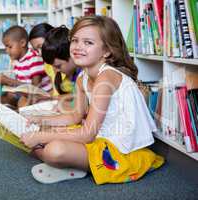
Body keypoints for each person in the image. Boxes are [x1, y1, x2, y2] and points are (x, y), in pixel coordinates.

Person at [20, 16, 164, 185]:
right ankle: (63, 161)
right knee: (43, 130)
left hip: (119, 148)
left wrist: (40, 137)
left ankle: (57, 160)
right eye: (75, 40)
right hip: (99, 136)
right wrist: (39, 120)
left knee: (54, 150)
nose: (78, 47)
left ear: (107, 51)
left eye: (88, 42)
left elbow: (88, 133)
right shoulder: (83, 77)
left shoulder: (107, 77)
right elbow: (74, 117)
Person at [0, 25, 52, 111]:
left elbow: (35, 88)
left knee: (22, 102)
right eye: (5, 47)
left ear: (22, 43)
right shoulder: (16, 60)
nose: (7, 51)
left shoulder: (34, 58)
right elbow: (21, 84)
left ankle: (9, 109)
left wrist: (9, 81)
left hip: (39, 95)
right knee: (4, 95)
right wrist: (2, 82)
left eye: (10, 47)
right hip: (24, 93)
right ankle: (6, 107)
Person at [41, 26, 82, 112]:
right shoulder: (74, 74)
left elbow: (81, 105)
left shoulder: (84, 74)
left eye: (58, 66)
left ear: (72, 54)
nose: (56, 70)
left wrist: (62, 105)